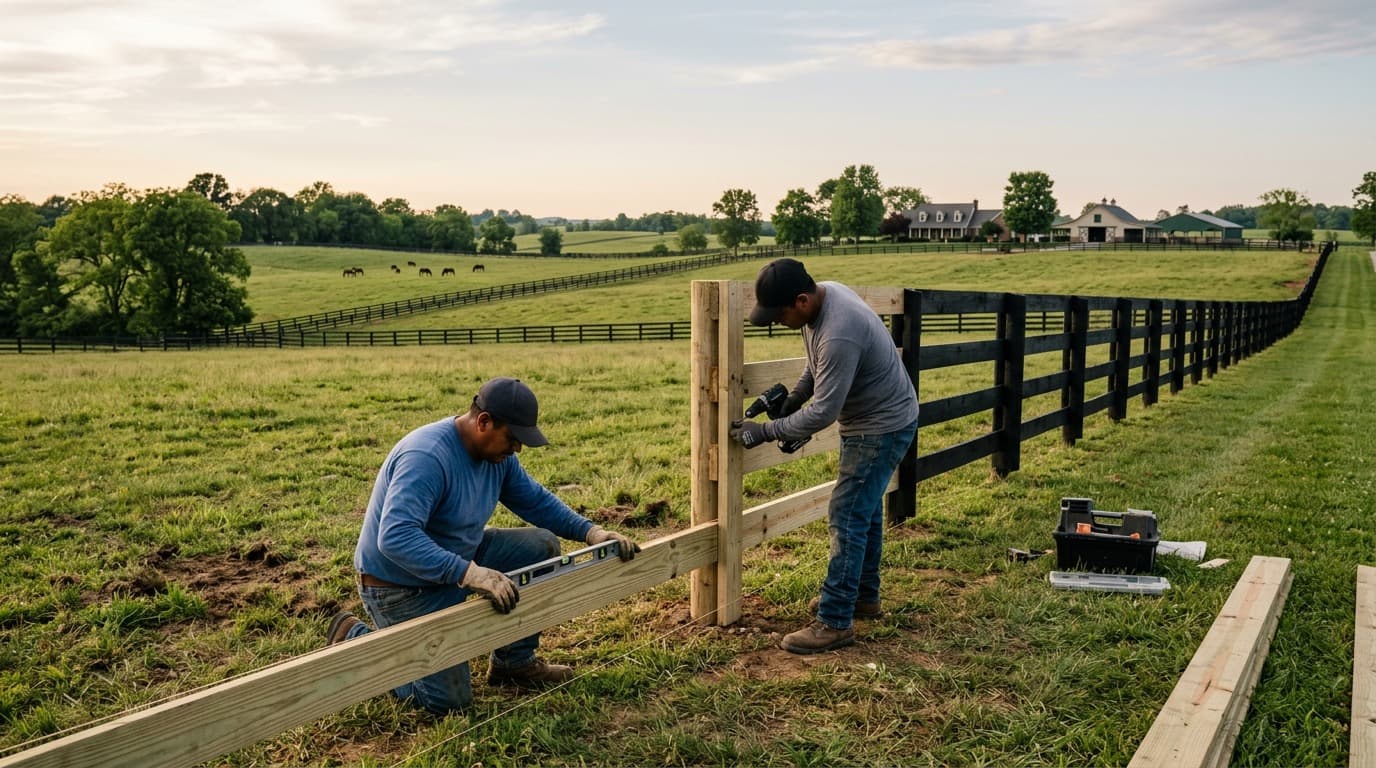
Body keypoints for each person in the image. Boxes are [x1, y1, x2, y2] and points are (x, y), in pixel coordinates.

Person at [326, 376, 640, 713]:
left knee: (541, 545)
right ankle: (356, 638)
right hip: (400, 586)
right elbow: (395, 536)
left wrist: (591, 532)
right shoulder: (427, 456)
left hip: (459, 561)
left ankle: (513, 663)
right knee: (447, 702)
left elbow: (534, 500)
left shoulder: (498, 458)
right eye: (512, 438)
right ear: (484, 422)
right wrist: (469, 574)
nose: (517, 449)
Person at [729, 258, 918, 655]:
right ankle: (863, 597)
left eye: (779, 316)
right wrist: (796, 396)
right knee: (863, 512)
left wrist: (765, 432)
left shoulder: (839, 331)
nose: (778, 323)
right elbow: (818, 368)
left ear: (800, 300)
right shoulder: (825, 296)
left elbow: (824, 413)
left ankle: (834, 621)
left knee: (846, 514)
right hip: (883, 420)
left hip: (880, 427)